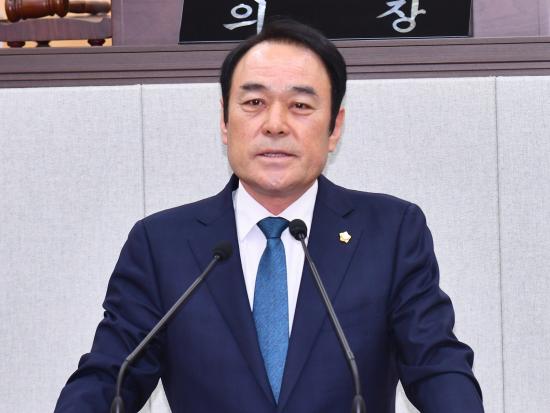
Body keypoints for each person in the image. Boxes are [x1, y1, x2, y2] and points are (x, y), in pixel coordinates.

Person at [55, 19, 484, 412]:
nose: (275, 124)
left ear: (334, 127)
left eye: (300, 106)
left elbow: (436, 365)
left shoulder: (390, 231)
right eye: (255, 102)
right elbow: (110, 375)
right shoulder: (161, 244)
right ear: (224, 122)